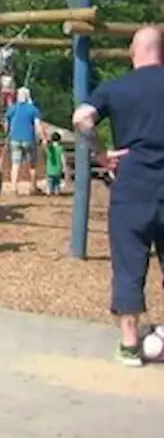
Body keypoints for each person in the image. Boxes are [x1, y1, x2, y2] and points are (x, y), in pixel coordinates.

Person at [72, 26, 164, 367]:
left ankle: (129, 345)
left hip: (133, 186)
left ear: (132, 52)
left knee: (129, 264)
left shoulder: (116, 88)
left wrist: (100, 153)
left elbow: (82, 118)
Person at [5, 87, 44, 196]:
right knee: (32, 164)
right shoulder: (33, 109)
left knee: (15, 164)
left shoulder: (12, 109)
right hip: (29, 139)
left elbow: (6, 123)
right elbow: (37, 126)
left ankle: (13, 188)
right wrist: (42, 137)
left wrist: (7, 133)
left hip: (14, 139)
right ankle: (32, 187)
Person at [43, 131, 67, 196]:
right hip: (58, 169)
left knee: (49, 182)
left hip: (49, 169)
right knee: (57, 183)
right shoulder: (60, 148)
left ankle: (49, 192)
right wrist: (64, 167)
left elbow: (44, 148)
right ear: (59, 140)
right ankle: (57, 192)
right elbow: (63, 158)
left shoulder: (49, 148)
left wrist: (45, 141)